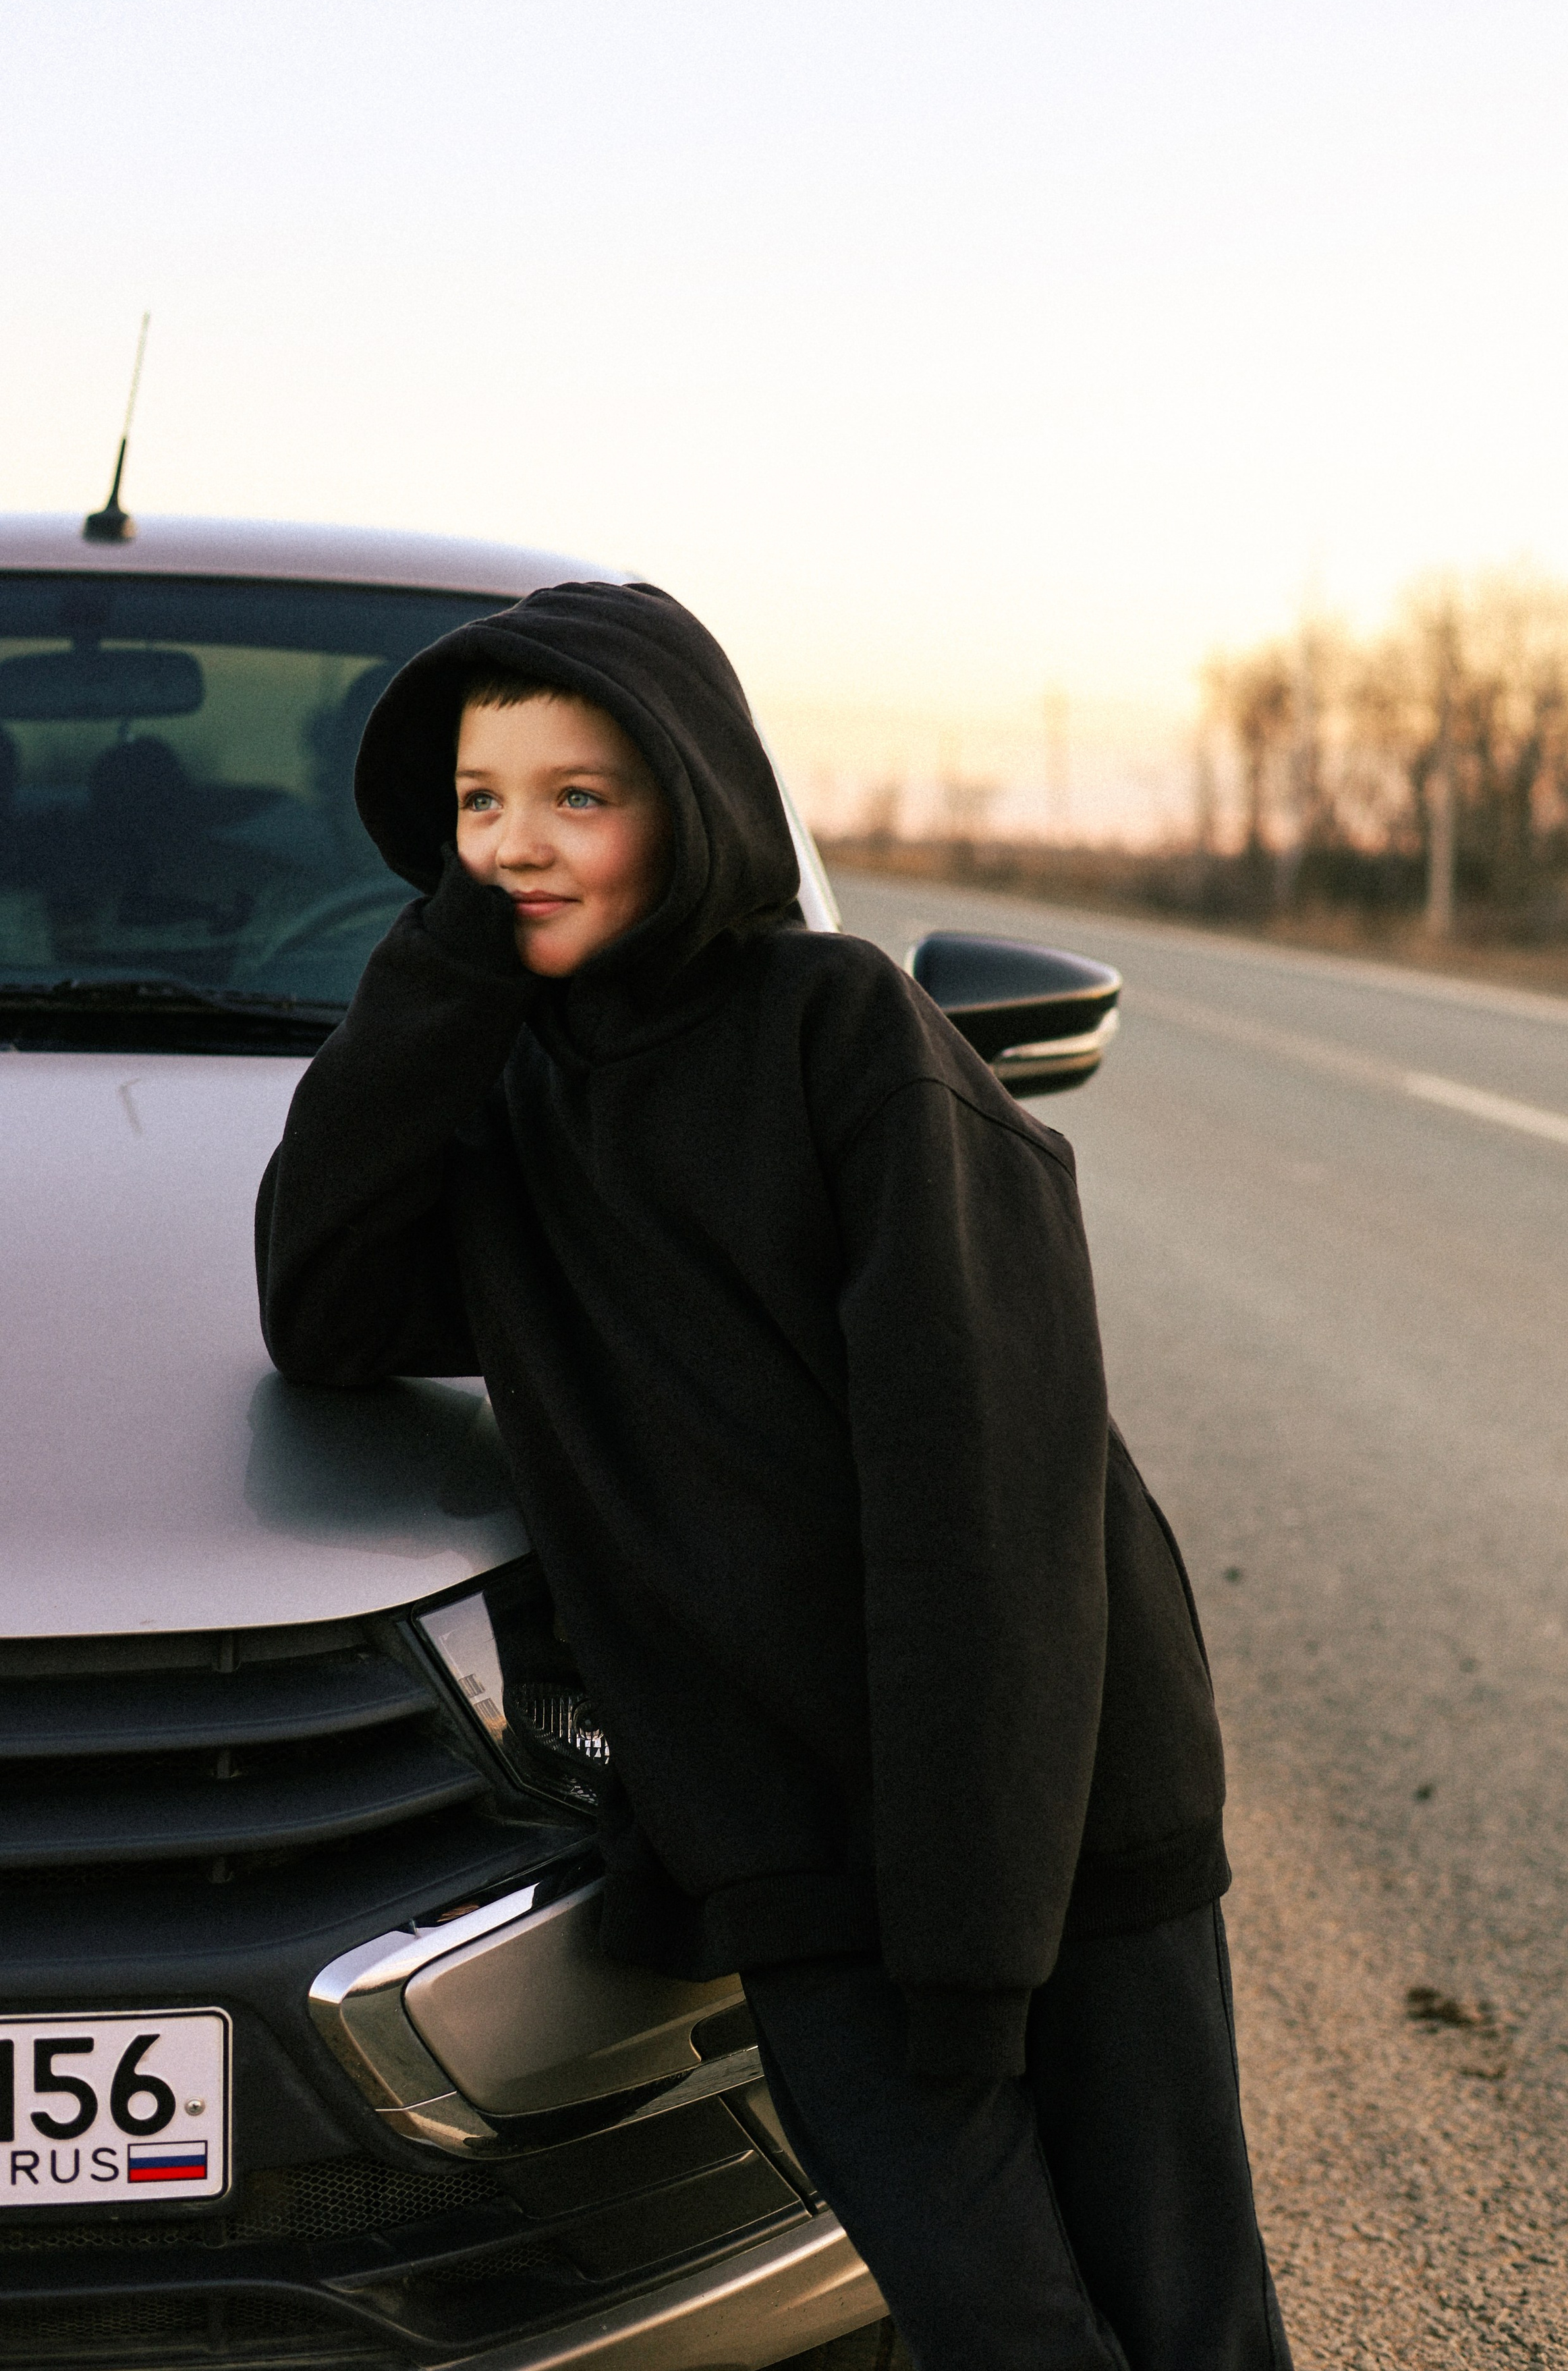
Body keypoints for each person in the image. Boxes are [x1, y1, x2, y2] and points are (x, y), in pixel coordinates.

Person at [255, 581, 1291, 2371]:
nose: (518, 843)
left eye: (581, 795)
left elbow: (990, 1490)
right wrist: (444, 968)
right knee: (1001, 2321)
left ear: (695, 798)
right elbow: (321, 1299)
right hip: (799, 1847)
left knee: (1185, 2319)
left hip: (1051, 1796)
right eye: (480, 804)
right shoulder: (503, 1108)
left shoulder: (847, 1035)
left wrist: (972, 1937)